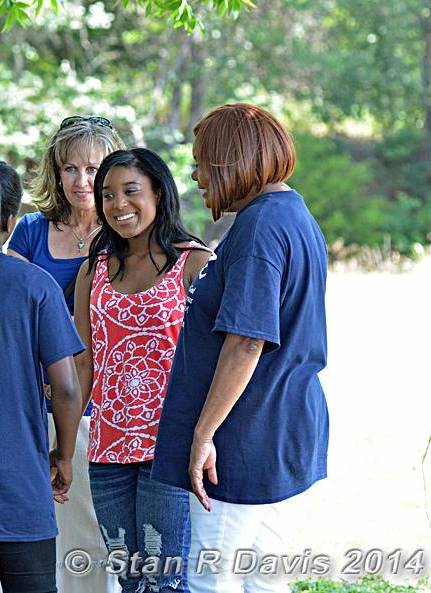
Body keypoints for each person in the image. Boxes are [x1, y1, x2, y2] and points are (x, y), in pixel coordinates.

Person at [151, 103, 329, 593]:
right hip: (282, 428)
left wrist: (204, 434)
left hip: (245, 437)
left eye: (202, 162)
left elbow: (248, 340)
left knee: (212, 578)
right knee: (264, 580)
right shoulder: (293, 214)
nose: (196, 176)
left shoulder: (259, 227)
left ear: (230, 160)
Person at [73, 148, 211, 593]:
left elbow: (217, 358)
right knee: (130, 581)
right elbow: (83, 362)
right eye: (107, 195)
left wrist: (208, 435)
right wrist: (62, 444)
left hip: (169, 447)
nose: (118, 205)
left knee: (166, 583)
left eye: (131, 191)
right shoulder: (92, 270)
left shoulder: (194, 262)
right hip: (107, 449)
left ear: (158, 192)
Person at [8, 116, 125, 593]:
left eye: (94, 169)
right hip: (38, 405)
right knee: (47, 533)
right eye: (70, 169)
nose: (82, 182)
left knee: (99, 537)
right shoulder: (31, 232)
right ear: (55, 172)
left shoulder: (127, 232)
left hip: (109, 406)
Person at [0, 161, 82, 593]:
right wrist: (63, 455)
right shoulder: (36, 286)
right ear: (10, 221)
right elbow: (67, 388)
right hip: (20, 496)